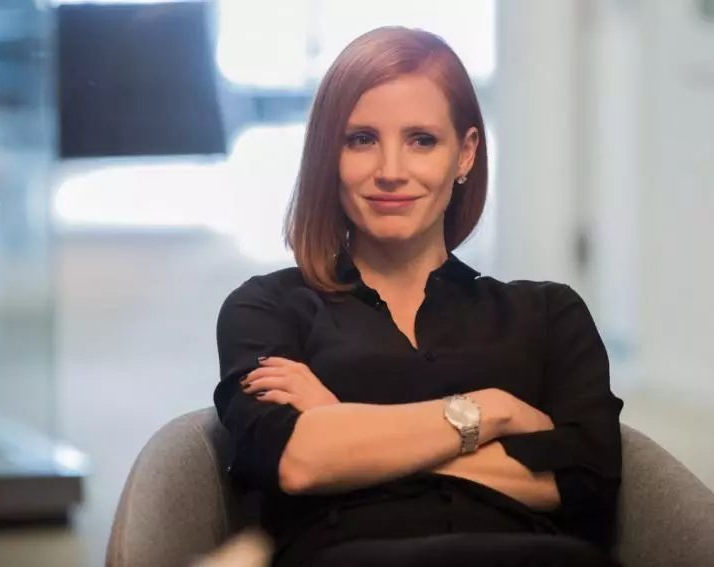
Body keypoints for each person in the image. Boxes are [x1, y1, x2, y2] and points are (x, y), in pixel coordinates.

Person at [214, 26, 624, 567]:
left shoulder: (550, 314)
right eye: (361, 139)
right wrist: (493, 411)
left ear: (465, 154)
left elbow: (586, 484)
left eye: (421, 140)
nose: (391, 171)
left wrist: (344, 428)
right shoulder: (267, 309)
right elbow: (298, 462)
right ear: (328, 155)